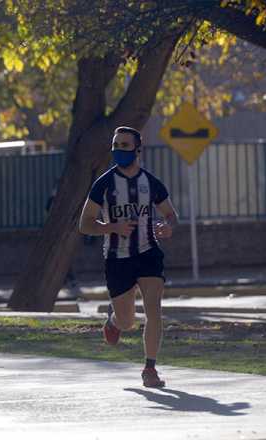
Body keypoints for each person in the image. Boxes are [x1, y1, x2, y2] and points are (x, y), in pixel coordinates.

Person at [79, 126, 178, 388]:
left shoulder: (151, 183)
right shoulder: (104, 184)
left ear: (137, 149)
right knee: (128, 321)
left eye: (124, 145)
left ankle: (150, 368)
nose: (119, 150)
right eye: (116, 145)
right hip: (117, 257)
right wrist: (112, 227)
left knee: (154, 310)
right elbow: (85, 224)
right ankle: (114, 321)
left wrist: (168, 227)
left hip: (148, 253)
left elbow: (170, 214)